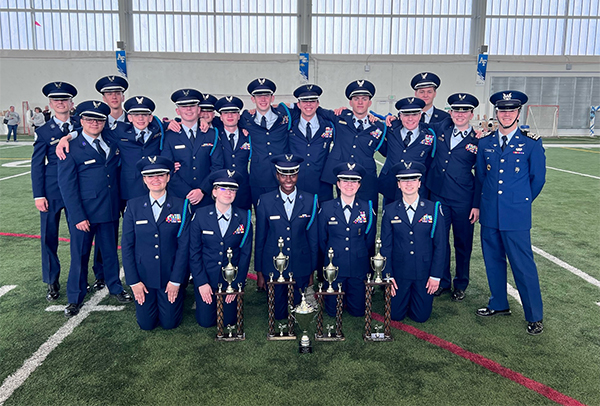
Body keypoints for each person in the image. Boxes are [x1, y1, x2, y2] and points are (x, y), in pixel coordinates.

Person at [475, 90, 546, 335]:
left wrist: (520, 202)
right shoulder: (486, 142)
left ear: (518, 113)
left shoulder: (531, 143)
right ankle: (499, 303)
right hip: (490, 214)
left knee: (523, 265)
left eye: (511, 110)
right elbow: (482, 178)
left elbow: (537, 180)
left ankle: (534, 315)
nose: (506, 114)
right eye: (502, 110)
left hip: (516, 215)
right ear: (496, 113)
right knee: (493, 261)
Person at [58, 100, 133, 318]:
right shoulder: (70, 148)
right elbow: (67, 186)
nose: (94, 123)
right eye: (89, 119)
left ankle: (115, 287)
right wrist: (77, 215)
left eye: (99, 119)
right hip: (84, 213)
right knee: (79, 256)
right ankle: (75, 297)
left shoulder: (110, 140)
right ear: (80, 121)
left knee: (110, 253)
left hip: (108, 209)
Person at [122, 156, 190, 330]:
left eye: (160, 175)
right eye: (150, 176)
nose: (156, 180)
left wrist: (176, 281)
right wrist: (134, 282)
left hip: (170, 276)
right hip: (144, 278)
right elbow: (127, 246)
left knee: (170, 324)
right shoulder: (133, 206)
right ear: (144, 180)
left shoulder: (181, 206)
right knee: (146, 324)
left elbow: (183, 247)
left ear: (168, 177)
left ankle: (180, 293)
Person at [426, 93, 482, 301]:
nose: (460, 114)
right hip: (438, 195)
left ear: (471, 114)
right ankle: (442, 280)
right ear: (450, 112)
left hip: (463, 199)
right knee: (440, 240)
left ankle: (461, 283)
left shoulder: (479, 139)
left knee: (463, 242)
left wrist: (476, 205)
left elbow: (481, 176)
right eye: (456, 111)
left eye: (464, 111)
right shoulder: (440, 129)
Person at [254, 154, 319, 320]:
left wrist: (311, 270)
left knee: (298, 312)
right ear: (277, 176)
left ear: (298, 175)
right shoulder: (265, 200)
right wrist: (260, 272)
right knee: (278, 315)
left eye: (293, 175)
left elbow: (313, 239)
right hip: (273, 268)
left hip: (300, 265)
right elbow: (260, 238)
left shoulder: (311, 200)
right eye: (283, 175)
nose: (288, 179)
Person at [380, 161, 445, 323]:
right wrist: (388, 275)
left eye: (413, 179)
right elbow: (386, 246)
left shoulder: (433, 209)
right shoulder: (389, 210)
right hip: (400, 273)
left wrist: (435, 276)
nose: (409, 184)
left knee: (421, 317)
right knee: (395, 315)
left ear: (419, 183)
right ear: (398, 184)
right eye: (404, 180)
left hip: (424, 274)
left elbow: (441, 245)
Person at [31, 81, 78, 301]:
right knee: (49, 237)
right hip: (51, 191)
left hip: (77, 190)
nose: (61, 103)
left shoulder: (81, 125)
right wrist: (38, 194)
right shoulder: (43, 131)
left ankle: (78, 279)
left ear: (71, 103)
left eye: (64, 100)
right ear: (50, 104)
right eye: (56, 100)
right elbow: (37, 164)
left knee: (79, 236)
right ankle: (52, 280)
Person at [189, 169, 252, 328]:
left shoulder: (245, 217)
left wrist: (237, 285)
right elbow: (194, 252)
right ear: (214, 192)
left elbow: (245, 255)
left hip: (230, 280)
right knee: (206, 322)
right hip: (207, 280)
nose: (228, 193)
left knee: (229, 321)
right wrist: (201, 283)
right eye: (223, 189)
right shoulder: (200, 215)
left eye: (232, 189)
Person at [318, 162, 376, 317]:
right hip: (334, 268)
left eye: (354, 181)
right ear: (338, 184)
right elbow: (322, 240)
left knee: (358, 311)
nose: (349, 185)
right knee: (332, 312)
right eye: (345, 181)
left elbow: (369, 240)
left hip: (358, 267)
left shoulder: (367, 208)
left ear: (359, 185)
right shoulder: (326, 208)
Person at [319, 80, 387, 213]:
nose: (360, 102)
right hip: (343, 176)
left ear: (370, 103)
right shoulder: (340, 117)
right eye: (356, 99)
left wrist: (392, 119)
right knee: (343, 212)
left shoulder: (378, 126)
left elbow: (387, 150)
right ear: (350, 103)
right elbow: (315, 109)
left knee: (368, 212)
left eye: (364, 99)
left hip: (367, 177)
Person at [161, 88, 224, 210]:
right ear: (177, 111)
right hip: (179, 196)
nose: (188, 109)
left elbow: (217, 166)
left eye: (192, 106)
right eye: (183, 106)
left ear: (199, 110)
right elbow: (167, 167)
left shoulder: (212, 134)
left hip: (206, 195)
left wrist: (202, 190)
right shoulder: (169, 136)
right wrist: (187, 192)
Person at [239, 78, 292, 206]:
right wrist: (202, 120)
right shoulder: (246, 118)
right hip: (259, 178)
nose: (263, 100)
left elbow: (308, 107)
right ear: (253, 99)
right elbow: (222, 120)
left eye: (266, 96)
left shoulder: (285, 115)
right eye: (258, 96)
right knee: (261, 215)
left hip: (282, 178)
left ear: (272, 98)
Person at [378, 97, 435, 203]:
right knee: (390, 216)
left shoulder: (430, 134)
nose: (410, 119)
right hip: (390, 184)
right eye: (406, 115)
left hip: (416, 187)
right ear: (400, 116)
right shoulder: (390, 128)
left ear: (420, 115)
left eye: (414, 115)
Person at [289, 84, 334, 202]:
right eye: (304, 101)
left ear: (318, 104)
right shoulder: (289, 126)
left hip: (322, 185)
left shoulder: (329, 126)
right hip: (295, 185)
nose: (308, 104)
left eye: (312, 101)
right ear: (298, 105)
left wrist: (369, 116)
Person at [213, 96, 252, 210]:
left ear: (239, 116)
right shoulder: (215, 136)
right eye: (225, 113)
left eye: (234, 112)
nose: (230, 116)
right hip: (222, 190)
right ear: (220, 117)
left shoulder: (248, 136)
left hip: (243, 190)